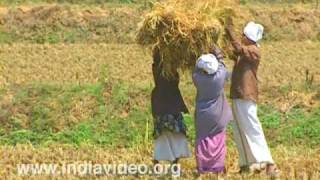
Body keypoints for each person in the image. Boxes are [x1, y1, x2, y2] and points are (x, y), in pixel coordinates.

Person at [225, 20, 280, 176]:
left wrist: (228, 30)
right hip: (237, 94)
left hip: (246, 95)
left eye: (244, 35)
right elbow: (231, 52)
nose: (242, 36)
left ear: (249, 38)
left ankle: (270, 163)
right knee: (239, 129)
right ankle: (245, 164)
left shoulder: (254, 51)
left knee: (252, 128)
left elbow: (237, 47)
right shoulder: (244, 52)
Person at [192, 47, 232, 175]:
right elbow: (222, 64)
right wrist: (217, 52)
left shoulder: (197, 78)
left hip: (203, 114)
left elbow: (195, 68)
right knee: (218, 140)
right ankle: (216, 167)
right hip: (218, 116)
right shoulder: (219, 78)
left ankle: (203, 167)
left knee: (203, 140)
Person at [151, 47, 191, 166]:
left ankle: (169, 159)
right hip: (168, 104)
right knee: (170, 132)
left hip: (164, 104)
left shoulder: (160, 68)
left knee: (167, 133)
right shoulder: (161, 69)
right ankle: (169, 158)